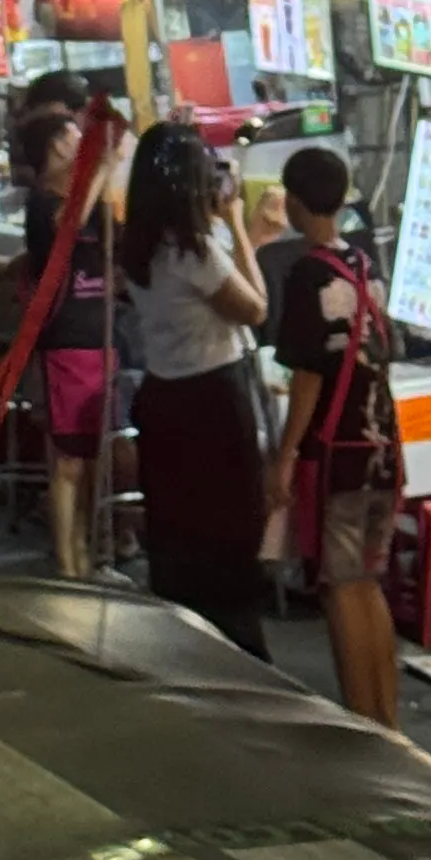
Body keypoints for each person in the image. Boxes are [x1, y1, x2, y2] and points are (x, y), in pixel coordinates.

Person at [115, 121, 268, 654]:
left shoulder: (139, 249)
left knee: (179, 537)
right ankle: (238, 652)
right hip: (213, 405)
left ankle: (184, 645)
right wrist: (239, 224)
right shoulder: (193, 252)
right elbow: (255, 307)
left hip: (163, 402)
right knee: (228, 535)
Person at [270, 143, 402, 729]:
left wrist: (286, 452)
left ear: (296, 204)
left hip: (338, 450)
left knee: (341, 587)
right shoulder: (365, 264)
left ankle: (363, 725)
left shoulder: (306, 273)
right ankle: (387, 719)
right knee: (367, 584)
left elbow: (307, 378)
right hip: (382, 446)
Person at [20, 97, 114, 580]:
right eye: (75, 136)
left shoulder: (88, 197)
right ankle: (67, 563)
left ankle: (87, 552)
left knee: (92, 456)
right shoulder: (43, 202)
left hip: (100, 334)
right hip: (64, 339)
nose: (82, 143)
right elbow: (68, 226)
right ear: (56, 146)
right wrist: (102, 167)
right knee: (68, 462)